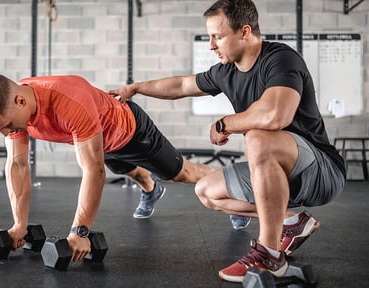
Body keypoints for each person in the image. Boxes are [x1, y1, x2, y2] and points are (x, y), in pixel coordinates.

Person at [109, 0, 345, 283]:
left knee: (258, 137)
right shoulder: (226, 72)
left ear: (244, 31)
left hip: (320, 171)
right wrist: (135, 88)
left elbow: (275, 115)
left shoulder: (280, 58)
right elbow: (182, 85)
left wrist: (225, 124)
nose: (211, 45)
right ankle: (291, 221)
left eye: (218, 37)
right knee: (207, 190)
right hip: (282, 178)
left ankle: (269, 255)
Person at [0, 74, 214, 261]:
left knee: (182, 174)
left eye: (6, 125)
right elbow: (17, 164)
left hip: (132, 133)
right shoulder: (17, 108)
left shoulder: (68, 103)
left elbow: (94, 172)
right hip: (101, 142)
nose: (7, 133)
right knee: (126, 170)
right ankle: (151, 190)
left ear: (20, 101)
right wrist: (19, 225)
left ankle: (234, 186)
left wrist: (80, 232)